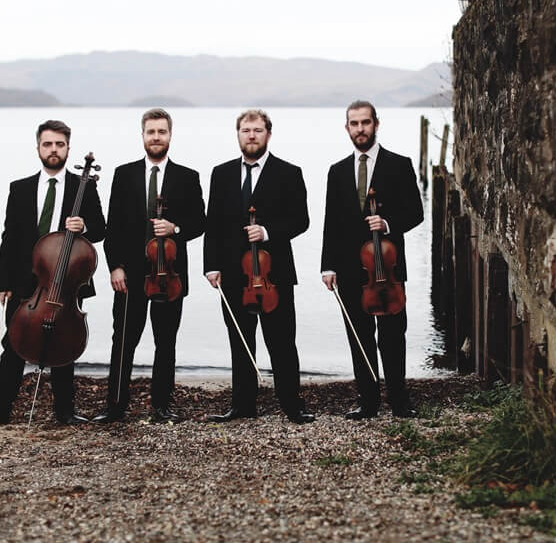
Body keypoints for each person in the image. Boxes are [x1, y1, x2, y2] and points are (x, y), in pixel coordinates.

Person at [0, 119, 106, 426]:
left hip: (65, 280)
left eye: (60, 144)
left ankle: (65, 412)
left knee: (64, 345)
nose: (54, 150)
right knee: (13, 344)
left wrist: (83, 226)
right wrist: (3, 282)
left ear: (68, 149)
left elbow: (100, 229)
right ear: (38, 148)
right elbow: (9, 238)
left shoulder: (83, 186)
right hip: (25, 280)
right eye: (48, 144)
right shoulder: (19, 189)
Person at [92, 109, 206, 424]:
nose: (156, 137)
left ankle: (161, 405)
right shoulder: (124, 174)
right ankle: (115, 406)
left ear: (170, 135)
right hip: (129, 276)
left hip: (169, 276)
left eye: (162, 132)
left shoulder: (188, 176)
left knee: (165, 342)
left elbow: (199, 222)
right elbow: (112, 228)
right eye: (151, 132)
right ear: (142, 135)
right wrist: (114, 268)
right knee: (123, 340)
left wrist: (176, 229)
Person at [203, 109, 314, 424]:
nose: (251, 135)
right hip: (232, 274)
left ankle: (292, 404)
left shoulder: (289, 172)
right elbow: (213, 225)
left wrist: (267, 232)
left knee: (281, 340)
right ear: (238, 134)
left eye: (257, 130)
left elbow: (300, 221)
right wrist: (210, 266)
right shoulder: (221, 173)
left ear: (268, 133)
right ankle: (242, 404)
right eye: (245, 130)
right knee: (240, 341)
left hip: (273, 274)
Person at [320, 100, 423, 419]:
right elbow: (331, 222)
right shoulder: (337, 171)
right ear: (347, 128)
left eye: (365, 122)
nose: (360, 129)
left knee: (393, 335)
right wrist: (328, 265)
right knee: (359, 336)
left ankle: (399, 400)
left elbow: (416, 213)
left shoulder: (400, 164)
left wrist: (389, 223)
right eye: (354, 123)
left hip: (388, 270)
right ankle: (368, 401)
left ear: (376, 124)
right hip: (352, 270)